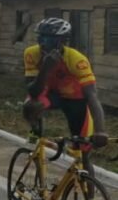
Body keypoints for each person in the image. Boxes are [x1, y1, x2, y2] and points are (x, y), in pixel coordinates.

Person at [22, 17, 108, 153]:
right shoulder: (31, 53)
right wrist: (45, 68)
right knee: (30, 105)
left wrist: (100, 130)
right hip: (51, 94)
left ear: (62, 42)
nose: (43, 43)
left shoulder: (76, 59)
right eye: (41, 37)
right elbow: (33, 91)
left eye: (49, 39)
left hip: (76, 100)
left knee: (82, 153)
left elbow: (92, 96)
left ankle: (77, 158)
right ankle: (34, 137)